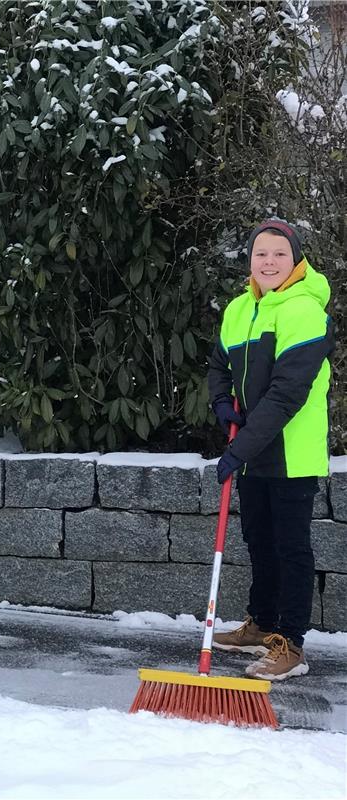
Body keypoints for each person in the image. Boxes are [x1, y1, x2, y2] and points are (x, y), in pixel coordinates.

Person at [208, 220, 334, 679]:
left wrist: (239, 449)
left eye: (280, 254)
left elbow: (286, 394)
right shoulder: (241, 309)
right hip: (253, 449)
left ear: (295, 259)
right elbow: (218, 362)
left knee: (290, 547)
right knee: (258, 541)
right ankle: (261, 625)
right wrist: (222, 401)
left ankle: (292, 645)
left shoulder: (304, 310)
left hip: (290, 453)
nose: (269, 262)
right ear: (250, 260)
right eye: (261, 253)